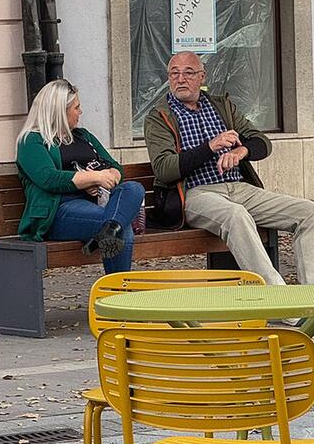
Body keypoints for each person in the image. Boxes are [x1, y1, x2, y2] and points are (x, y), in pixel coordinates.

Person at [145, 51, 314, 287]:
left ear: (202, 77)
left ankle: (309, 298)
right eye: (174, 73)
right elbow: (164, 169)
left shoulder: (221, 106)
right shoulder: (159, 116)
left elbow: (261, 142)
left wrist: (240, 151)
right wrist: (211, 147)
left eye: (188, 73)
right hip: (196, 194)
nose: (180, 79)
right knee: (236, 215)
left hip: (239, 188)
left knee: (308, 211)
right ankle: (277, 296)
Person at [16, 79, 145, 273]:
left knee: (134, 188)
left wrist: (108, 176)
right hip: (60, 210)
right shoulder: (32, 141)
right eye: (76, 107)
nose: (80, 112)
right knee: (120, 228)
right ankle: (118, 293)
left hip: (99, 202)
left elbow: (115, 166)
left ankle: (108, 232)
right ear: (60, 110)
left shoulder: (83, 136)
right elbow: (49, 179)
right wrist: (92, 178)